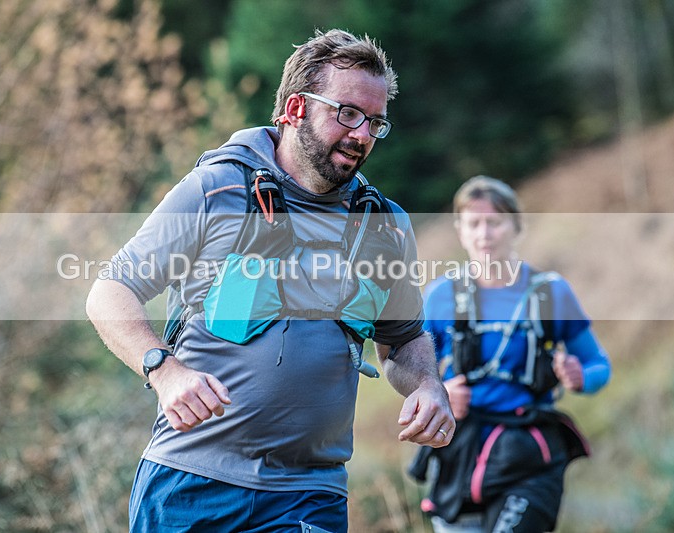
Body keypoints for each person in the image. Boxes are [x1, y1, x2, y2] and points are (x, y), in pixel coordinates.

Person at [86, 29, 454, 532]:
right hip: (191, 486)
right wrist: (163, 370)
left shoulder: (384, 225)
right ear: (296, 108)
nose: (363, 134)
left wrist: (429, 385)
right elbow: (110, 291)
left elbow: (404, 342)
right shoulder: (217, 188)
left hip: (309, 497)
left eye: (375, 122)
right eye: (347, 113)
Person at [409, 176, 612, 533]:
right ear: (460, 231)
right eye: (474, 224)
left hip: (529, 455)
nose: (484, 234)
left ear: (516, 227)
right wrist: (439, 392)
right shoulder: (441, 296)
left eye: (495, 222)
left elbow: (600, 366)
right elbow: (412, 368)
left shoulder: (551, 294)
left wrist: (582, 377)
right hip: (460, 454)